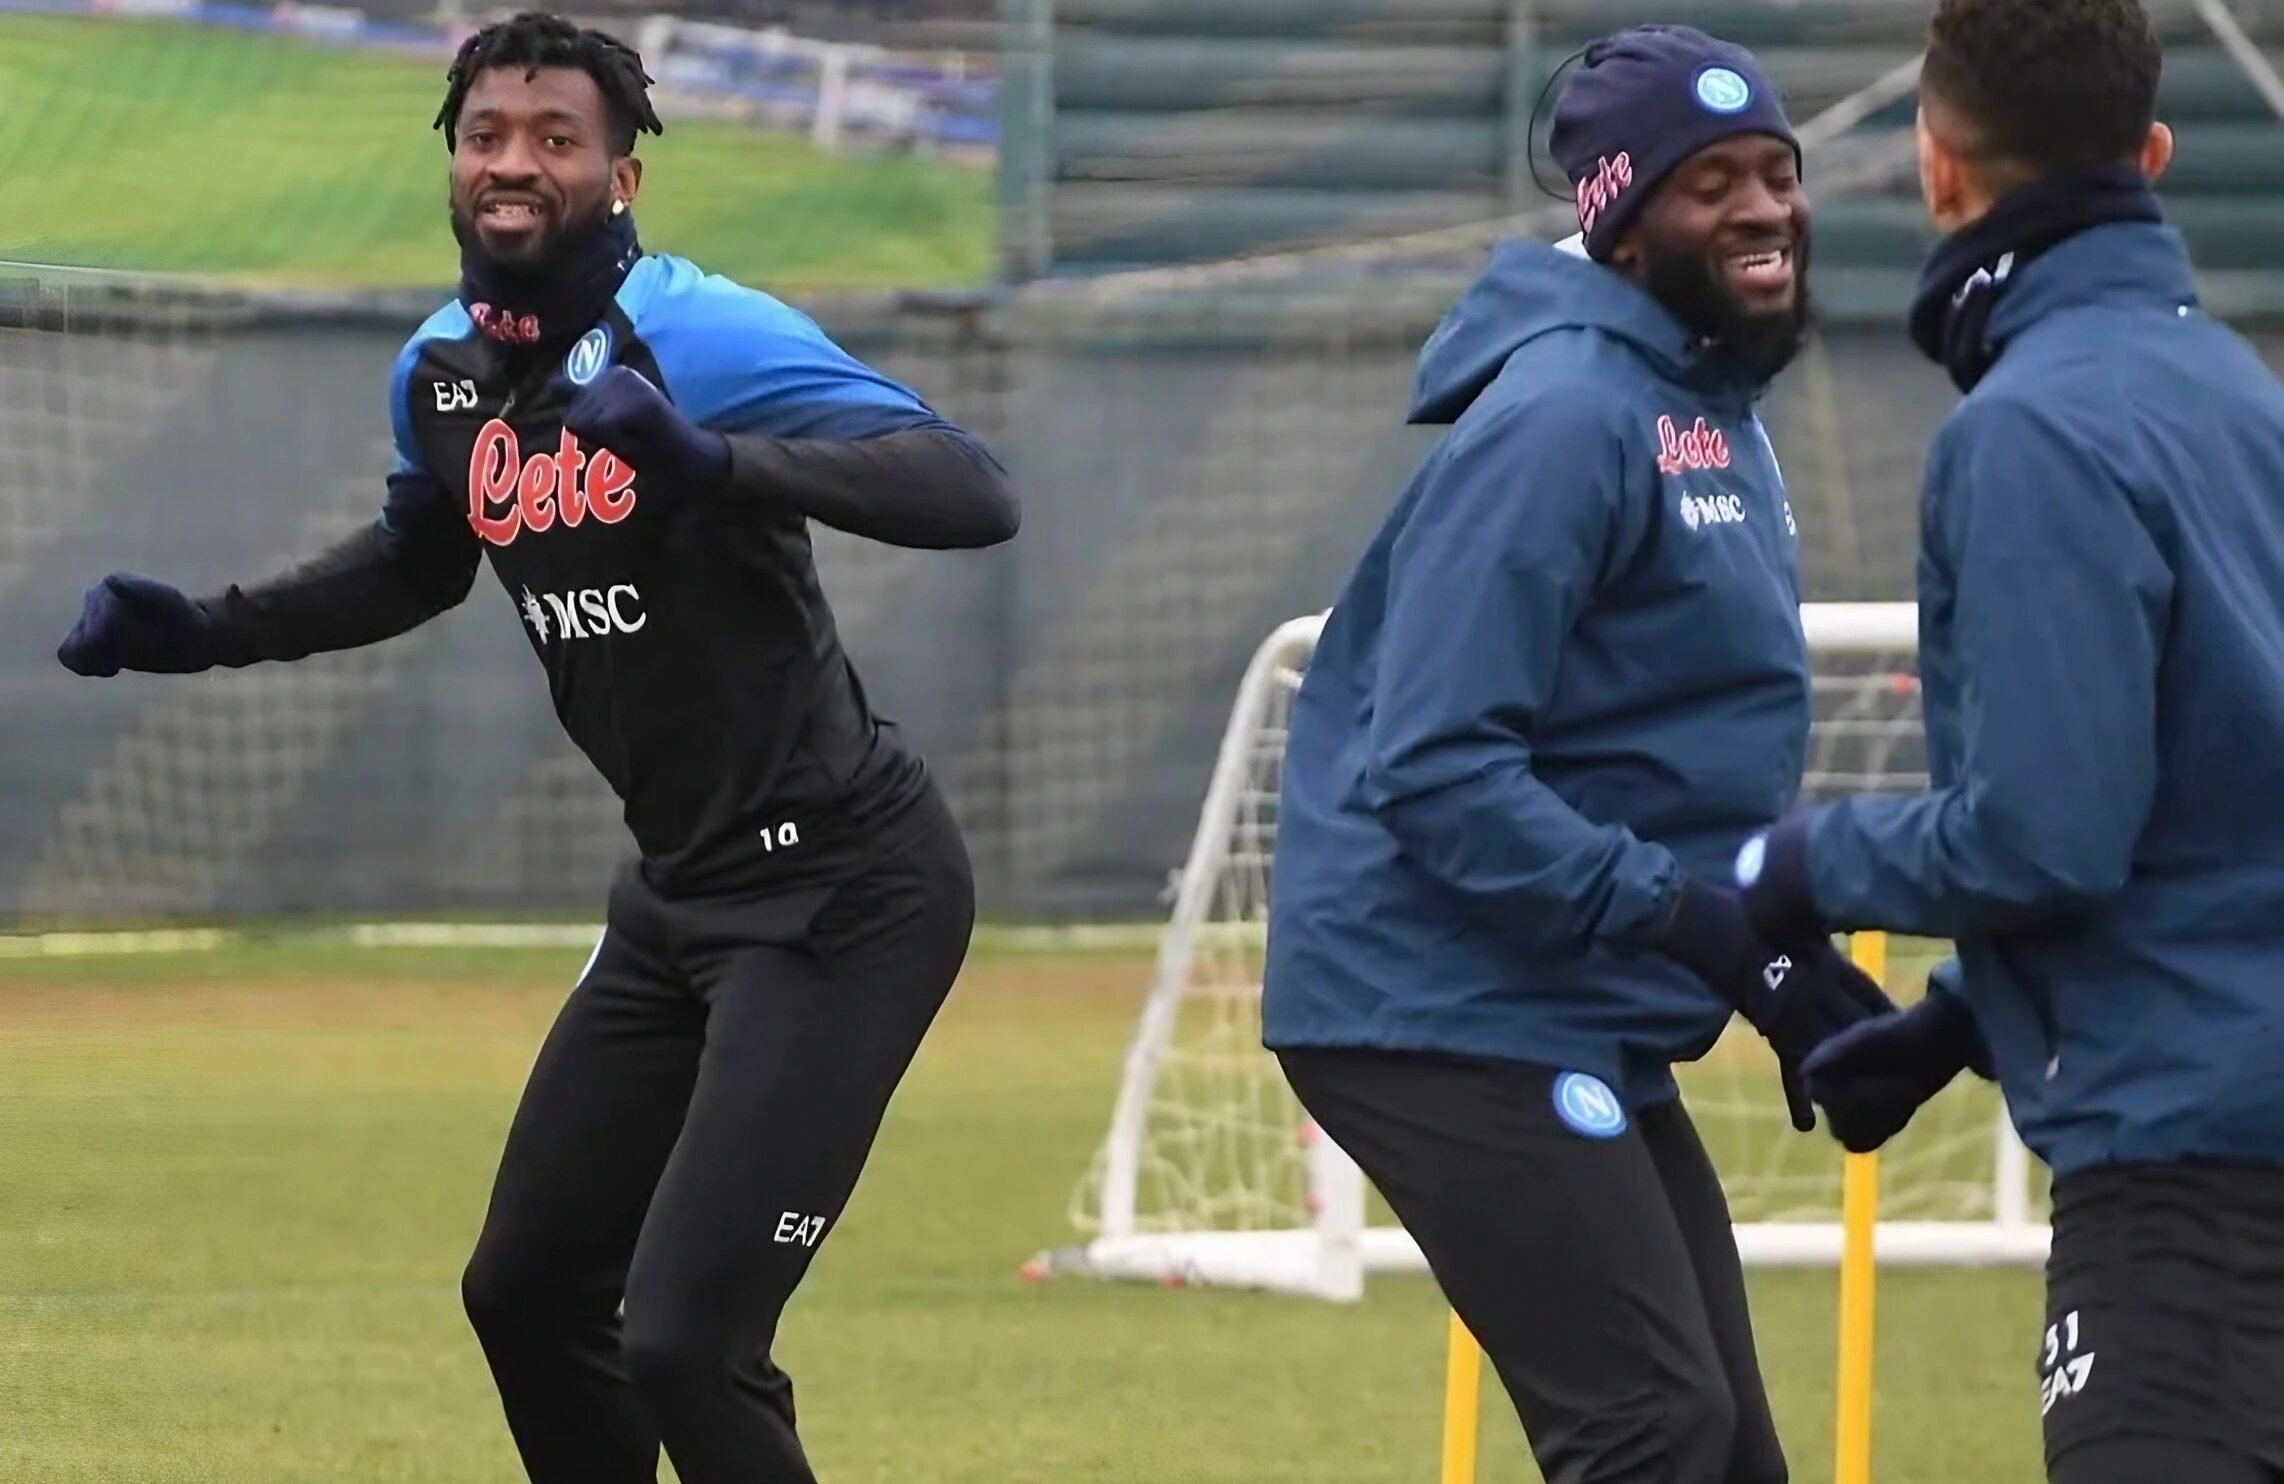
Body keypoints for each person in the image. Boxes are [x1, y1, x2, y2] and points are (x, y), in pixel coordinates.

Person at [53, 14, 1017, 1483]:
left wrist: (715, 462)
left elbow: (970, 488)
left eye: (556, 139)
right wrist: (198, 627)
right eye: (488, 135)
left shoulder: (695, 334)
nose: (515, 162)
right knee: (525, 1295)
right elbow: (414, 567)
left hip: (844, 895)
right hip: (675, 901)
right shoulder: (440, 375)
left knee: (689, 1340)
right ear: (453, 160)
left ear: (620, 176)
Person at [1259, 25, 1893, 1484]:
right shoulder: (1563, 419)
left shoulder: (1706, 407)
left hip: (1559, 996)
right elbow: (1434, 770)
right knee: (1651, 1429)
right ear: (1617, 221)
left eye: (1778, 173)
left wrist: (1772, 950)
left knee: (1725, 1451)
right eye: (1709, 181)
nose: (1761, 208)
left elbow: (1651, 760)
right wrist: (1703, 931)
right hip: (1432, 999)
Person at [1728, 2, 2284, 1480]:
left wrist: (1795, 861)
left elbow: (2050, 830)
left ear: (1937, 166)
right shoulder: (2240, 397)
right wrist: (1962, 1022)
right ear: (2153, 155)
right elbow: (2223, 802)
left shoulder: (2033, 431)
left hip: (2193, 1179)